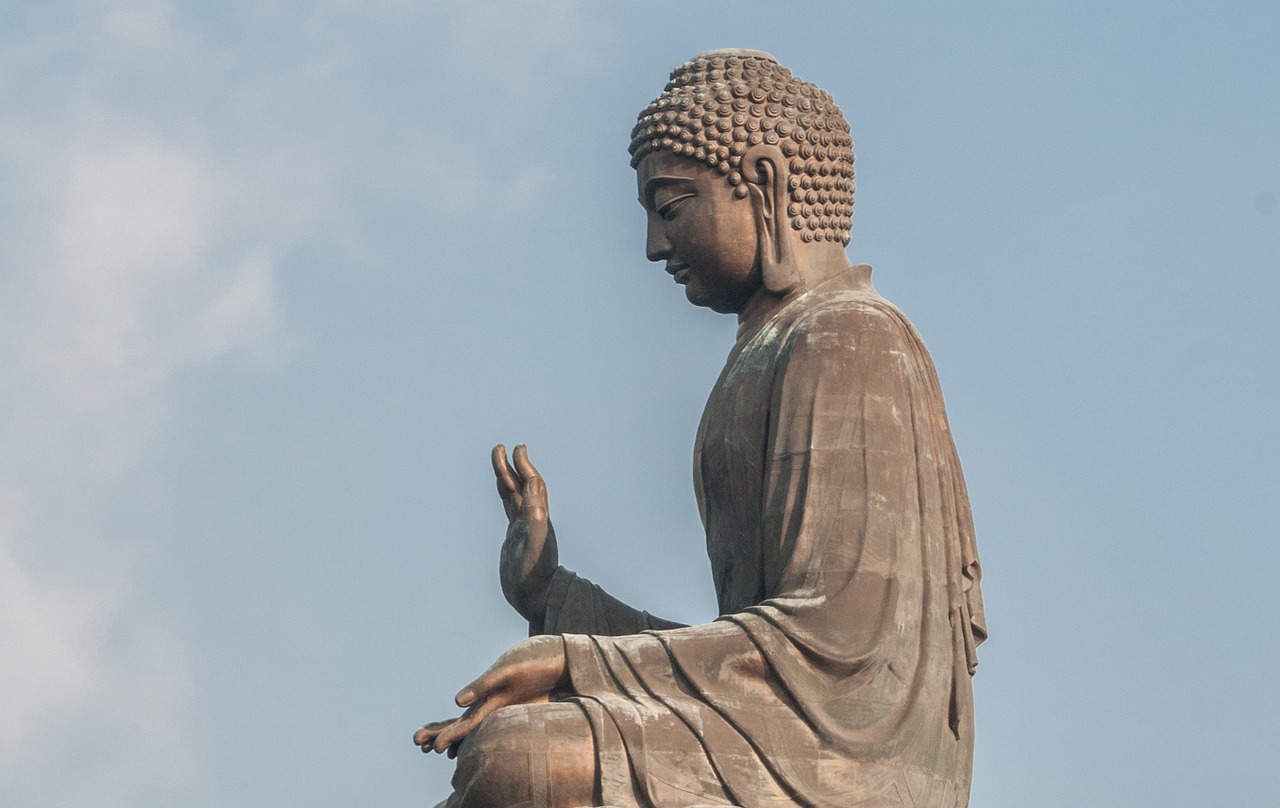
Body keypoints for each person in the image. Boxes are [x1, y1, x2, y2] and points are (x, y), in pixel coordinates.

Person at [414, 49, 986, 808]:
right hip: (781, 720)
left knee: (517, 758)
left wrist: (576, 658)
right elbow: (756, 647)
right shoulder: (774, 348)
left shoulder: (848, 339)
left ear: (765, 183)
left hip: (847, 752)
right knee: (517, 743)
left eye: (672, 206)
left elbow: (832, 650)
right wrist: (556, 598)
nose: (654, 244)